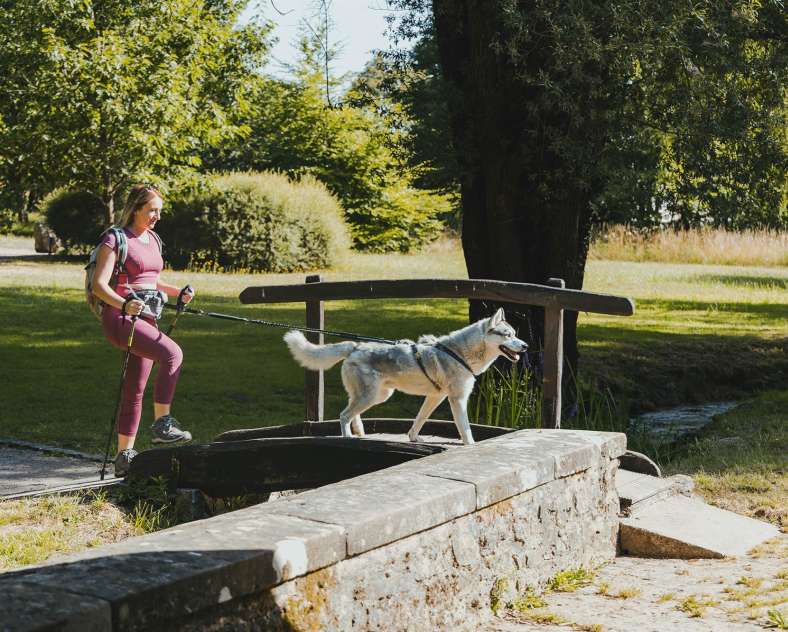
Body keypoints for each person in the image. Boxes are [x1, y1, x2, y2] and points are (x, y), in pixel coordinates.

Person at [92, 184, 195, 477]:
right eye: (152, 210)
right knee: (172, 353)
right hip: (120, 318)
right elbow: (99, 285)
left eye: (159, 211)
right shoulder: (115, 238)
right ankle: (163, 425)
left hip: (146, 319)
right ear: (135, 208)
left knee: (134, 389)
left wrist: (179, 293)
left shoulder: (153, 239)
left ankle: (124, 458)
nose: (157, 216)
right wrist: (124, 304)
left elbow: (153, 280)